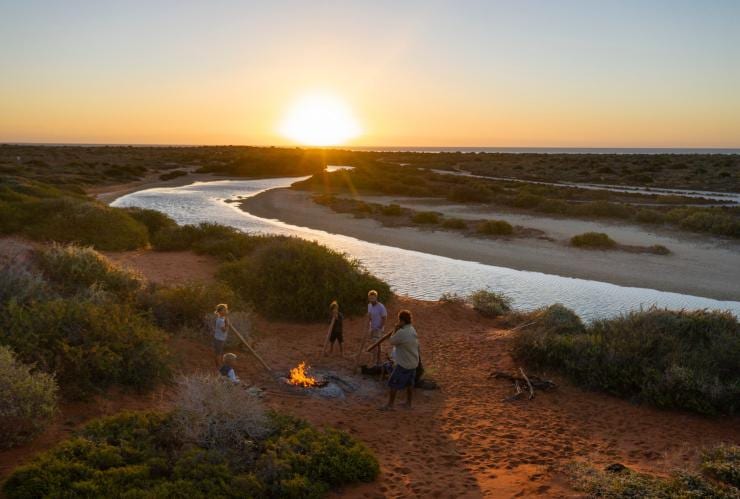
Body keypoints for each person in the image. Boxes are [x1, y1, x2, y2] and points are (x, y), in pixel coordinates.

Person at [380, 309, 419, 411]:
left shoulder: (402, 332)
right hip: (414, 362)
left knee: (393, 383)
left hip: (404, 363)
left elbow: (392, 341)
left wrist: (395, 329)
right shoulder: (412, 329)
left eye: (399, 320)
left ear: (402, 321)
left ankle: (390, 405)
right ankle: (408, 404)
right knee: (409, 384)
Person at [367, 290, 387, 365]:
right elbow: (369, 316)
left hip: (378, 328)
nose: (372, 300)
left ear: (376, 298)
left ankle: (375, 361)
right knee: (375, 344)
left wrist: (380, 327)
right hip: (372, 327)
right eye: (370, 298)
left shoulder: (381, 306)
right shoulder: (369, 306)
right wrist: (368, 326)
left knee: (376, 345)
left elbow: (384, 317)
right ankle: (377, 360)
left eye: (373, 298)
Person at [213, 304, 230, 368]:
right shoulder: (220, 320)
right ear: (219, 311)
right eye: (223, 310)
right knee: (218, 353)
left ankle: (218, 365)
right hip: (219, 339)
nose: (225, 311)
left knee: (219, 352)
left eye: (226, 310)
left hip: (220, 338)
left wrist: (226, 321)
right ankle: (218, 366)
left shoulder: (223, 318)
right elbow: (224, 330)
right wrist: (227, 324)